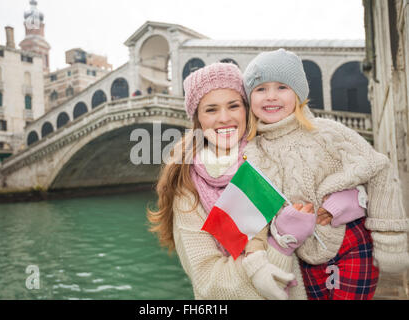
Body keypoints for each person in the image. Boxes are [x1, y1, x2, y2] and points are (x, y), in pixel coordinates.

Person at [147, 62, 363, 300]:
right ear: (197, 119)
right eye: (210, 110)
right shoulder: (187, 187)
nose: (224, 118)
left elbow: (346, 179)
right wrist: (281, 245)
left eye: (233, 105)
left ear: (247, 109)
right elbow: (212, 286)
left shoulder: (277, 151)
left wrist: (351, 196)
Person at [242, 48, 409, 300]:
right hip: (304, 256)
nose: (271, 97)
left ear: (298, 93)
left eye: (282, 87)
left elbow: (379, 170)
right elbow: (255, 214)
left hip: (351, 241)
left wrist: (390, 238)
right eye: (260, 89)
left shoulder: (327, 132)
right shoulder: (252, 154)